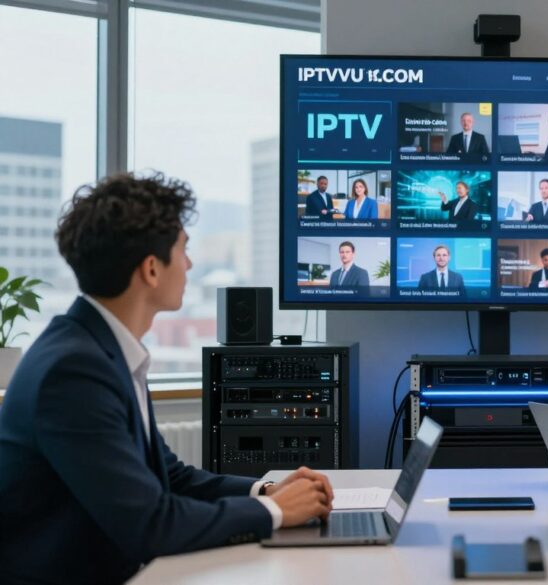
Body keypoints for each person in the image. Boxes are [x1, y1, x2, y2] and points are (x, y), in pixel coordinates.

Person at [0, 173, 335, 584]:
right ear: (152, 270)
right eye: (183, 250)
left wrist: (266, 491)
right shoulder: (73, 372)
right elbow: (151, 526)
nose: (190, 264)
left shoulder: (97, 348)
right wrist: (278, 512)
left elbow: (170, 477)